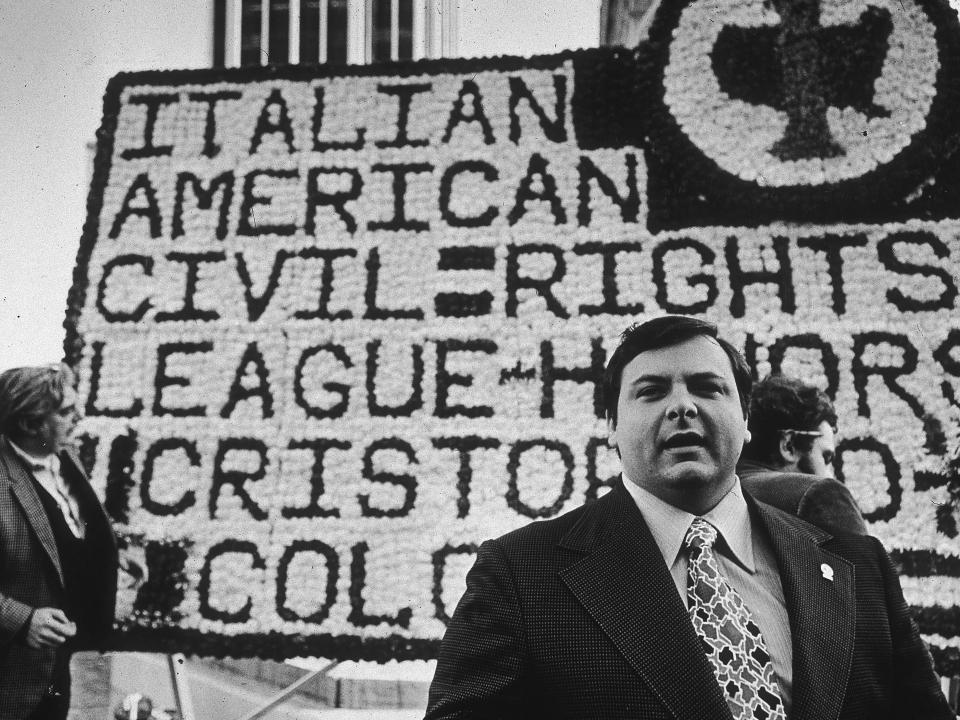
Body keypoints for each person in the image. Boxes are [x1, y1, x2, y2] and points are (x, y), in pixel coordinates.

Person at [425, 315, 952, 720]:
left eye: (707, 387)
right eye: (652, 391)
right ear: (611, 425)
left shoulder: (859, 567)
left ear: (746, 421)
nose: (683, 407)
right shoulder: (520, 573)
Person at [0, 363, 118, 720]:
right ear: (29, 423)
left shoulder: (64, 457)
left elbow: (66, 532)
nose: (80, 416)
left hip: (54, 670)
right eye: (66, 411)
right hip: (9, 682)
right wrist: (20, 620)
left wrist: (113, 555)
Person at [738, 374, 868, 535]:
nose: (831, 475)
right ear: (789, 446)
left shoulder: (712, 497)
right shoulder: (821, 494)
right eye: (826, 458)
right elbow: (864, 561)